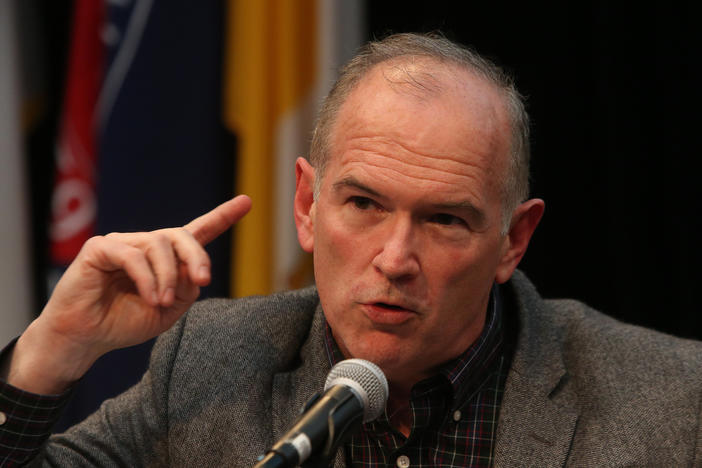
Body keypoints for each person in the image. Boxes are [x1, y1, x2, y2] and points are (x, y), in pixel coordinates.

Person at [1, 32, 700, 467]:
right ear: (307, 206)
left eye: (445, 221)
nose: (395, 259)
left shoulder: (670, 404)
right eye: (363, 205)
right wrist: (50, 353)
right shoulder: (213, 362)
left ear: (512, 240)